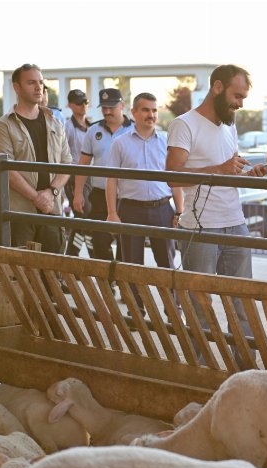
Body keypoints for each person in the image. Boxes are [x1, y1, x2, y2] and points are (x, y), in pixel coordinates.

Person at [166, 64, 267, 364]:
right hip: (200, 229)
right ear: (218, 87)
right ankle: (200, 371)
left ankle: (244, 371)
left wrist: (250, 174)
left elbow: (228, 174)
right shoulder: (184, 125)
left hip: (235, 223)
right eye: (237, 96)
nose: (240, 103)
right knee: (200, 306)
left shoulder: (230, 125)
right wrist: (220, 170)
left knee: (243, 305)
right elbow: (173, 176)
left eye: (244, 98)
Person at [105, 93, 183, 312]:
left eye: (154, 110)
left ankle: (173, 309)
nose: (151, 115)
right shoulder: (120, 143)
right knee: (132, 264)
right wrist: (112, 213)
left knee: (167, 263)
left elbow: (174, 179)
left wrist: (180, 211)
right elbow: (111, 181)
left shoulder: (168, 143)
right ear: (134, 113)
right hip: (130, 210)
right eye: (146, 110)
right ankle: (135, 309)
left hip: (162, 209)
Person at [0, 63, 71, 252]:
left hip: (52, 210)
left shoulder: (55, 122)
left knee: (52, 273)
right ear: (16, 87)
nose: (38, 87)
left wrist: (51, 193)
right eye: (31, 82)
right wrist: (36, 198)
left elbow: (67, 163)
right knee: (21, 276)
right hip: (20, 214)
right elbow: (6, 170)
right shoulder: (4, 126)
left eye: (41, 82)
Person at [73, 88, 133, 262]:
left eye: (111, 107)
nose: (107, 111)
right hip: (100, 195)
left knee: (126, 244)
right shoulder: (93, 130)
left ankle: (122, 283)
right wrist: (78, 194)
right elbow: (83, 164)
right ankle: (108, 284)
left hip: (126, 196)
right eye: (104, 107)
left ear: (122, 105)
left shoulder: (134, 129)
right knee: (99, 241)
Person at [63, 89, 93, 257]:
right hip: (74, 177)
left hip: (92, 177)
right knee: (85, 217)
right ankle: (95, 257)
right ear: (70, 105)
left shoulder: (92, 127)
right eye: (79, 103)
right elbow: (63, 155)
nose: (83, 106)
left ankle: (70, 259)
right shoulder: (67, 128)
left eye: (86, 102)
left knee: (83, 220)